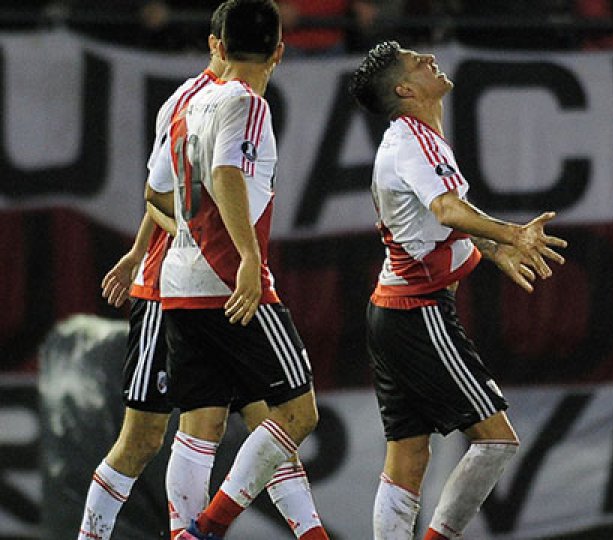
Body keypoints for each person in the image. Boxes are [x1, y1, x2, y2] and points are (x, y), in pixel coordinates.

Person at [79, 3, 327, 540]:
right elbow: (201, 184)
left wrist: (176, 231)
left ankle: (229, 533)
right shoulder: (231, 102)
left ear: (218, 44)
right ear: (278, 51)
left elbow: (160, 192)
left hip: (183, 276)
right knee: (274, 417)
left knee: (212, 426)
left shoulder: (194, 104)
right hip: (207, 277)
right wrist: (240, 253)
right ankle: (190, 529)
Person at [348, 41, 567, 540]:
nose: (427, 58)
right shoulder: (415, 142)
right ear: (405, 90)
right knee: (496, 442)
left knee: (408, 454)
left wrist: (492, 249)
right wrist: (511, 234)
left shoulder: (409, 138)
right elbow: (447, 210)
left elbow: (434, 222)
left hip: (392, 310)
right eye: (414, 61)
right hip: (417, 312)